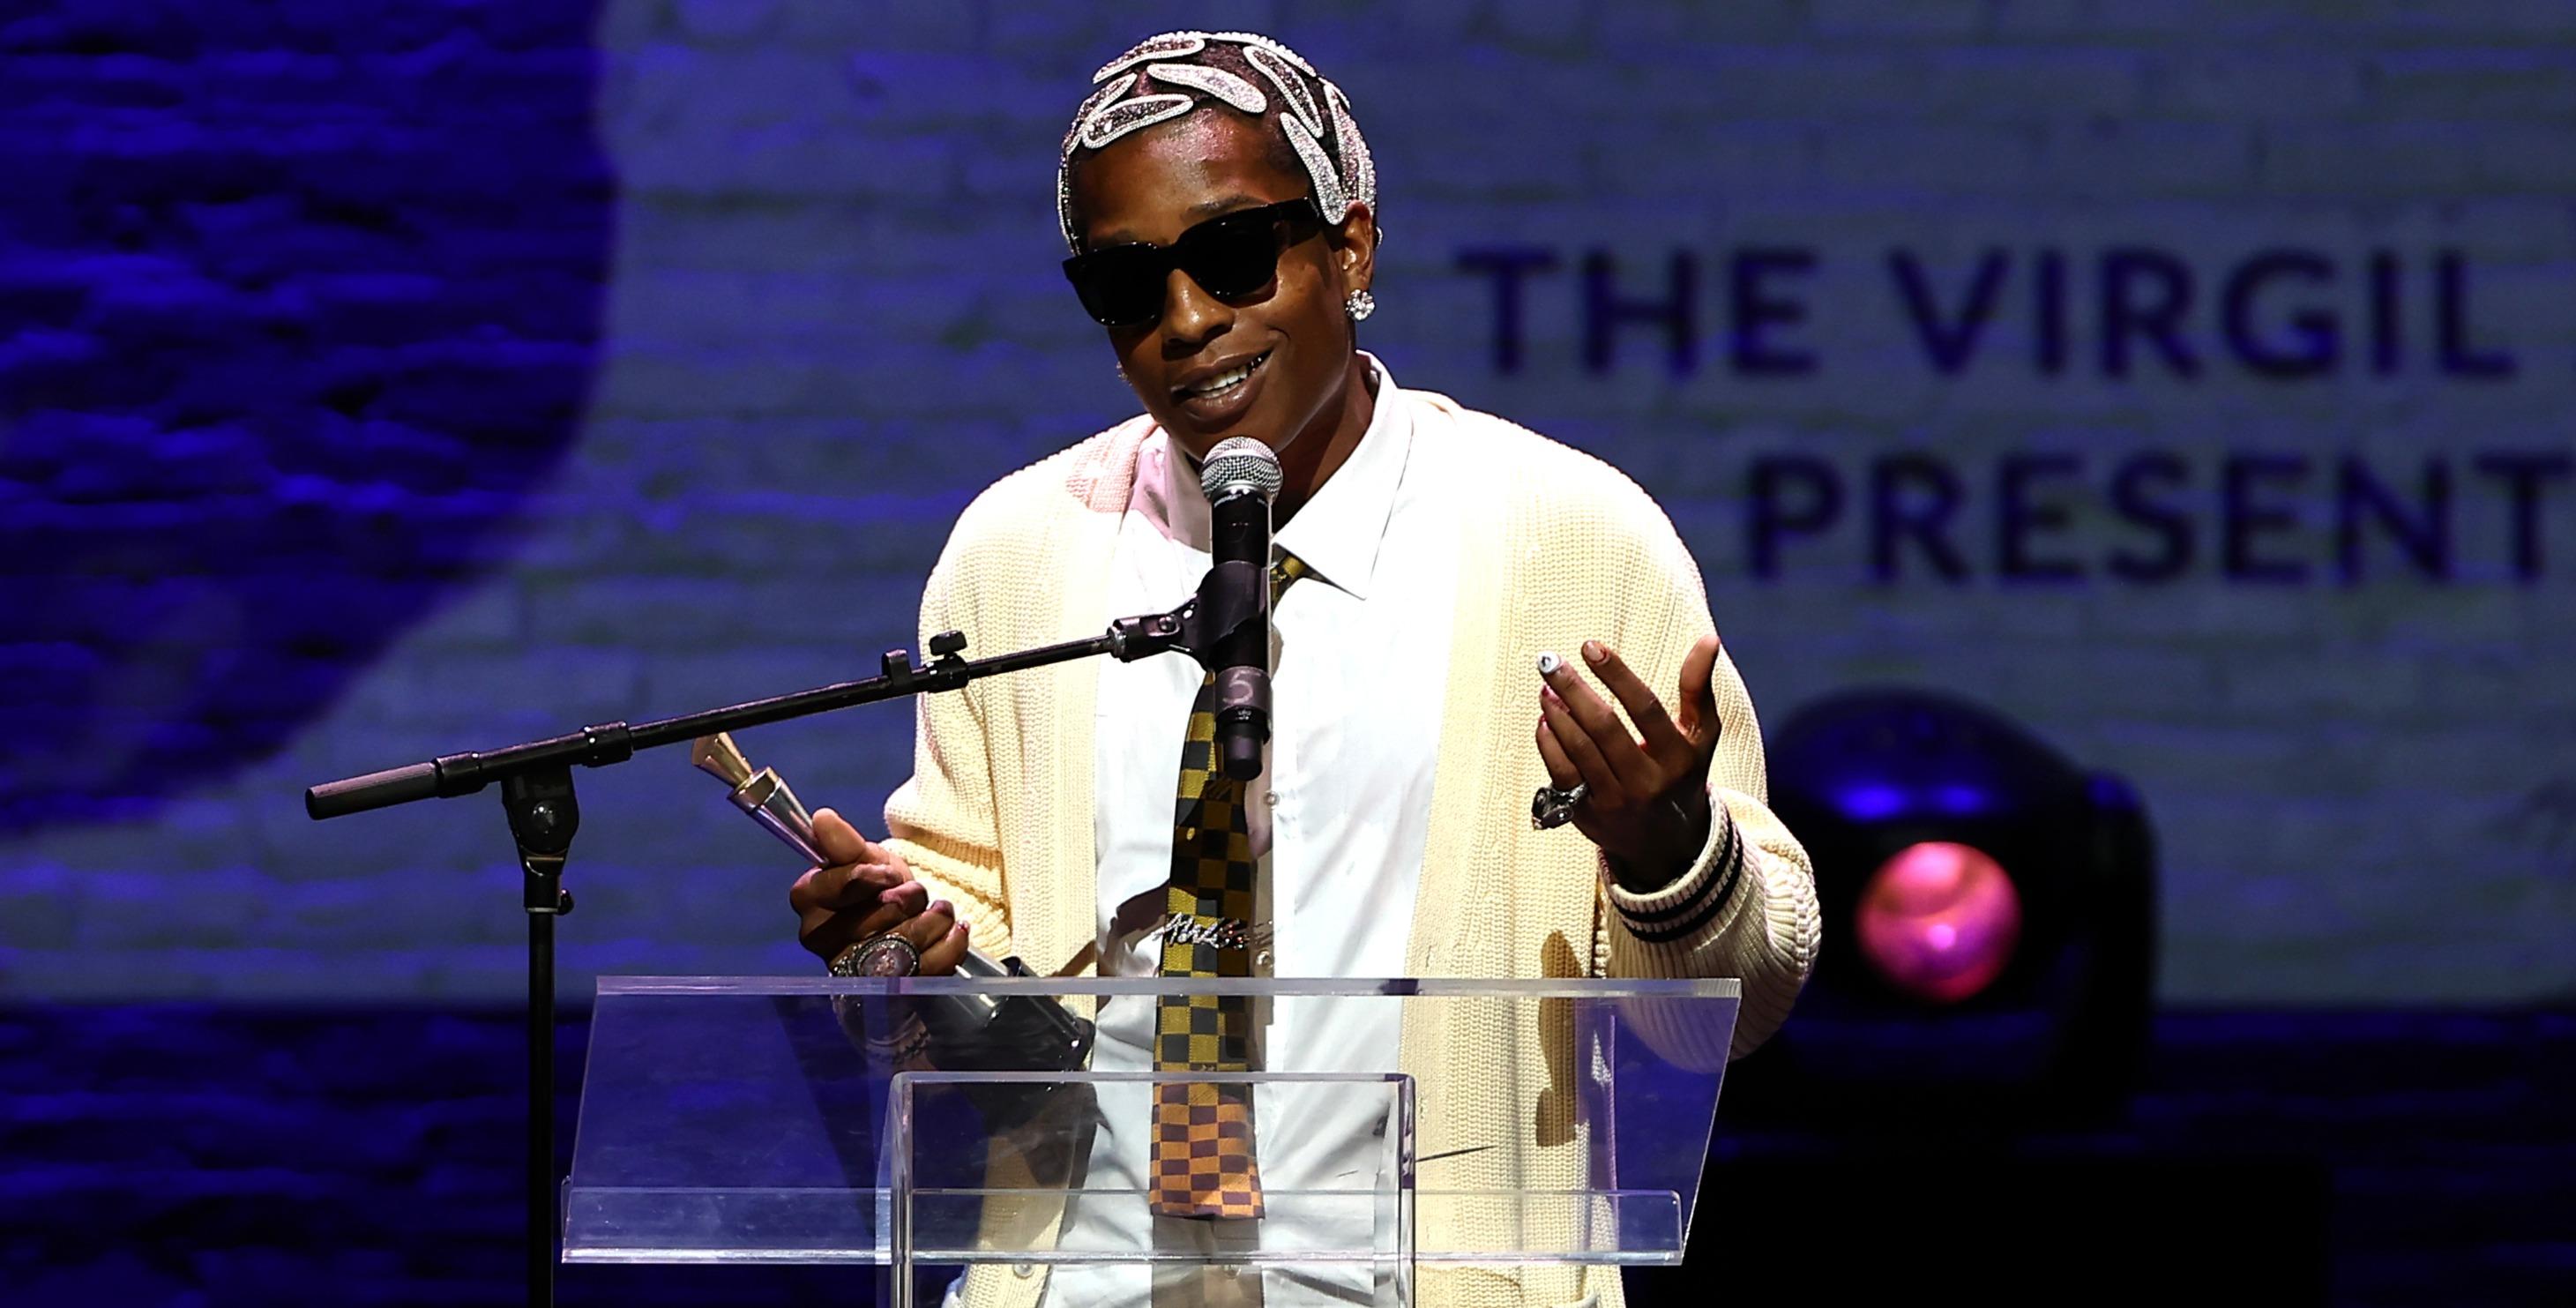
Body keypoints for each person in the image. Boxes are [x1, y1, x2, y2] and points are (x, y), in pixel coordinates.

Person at [787, 29, 1819, 1308]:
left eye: (1231, 255)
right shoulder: (1022, 554)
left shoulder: (1570, 538)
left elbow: (1739, 1004)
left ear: (1350, 248)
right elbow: (980, 991)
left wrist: (1670, 856)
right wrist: (904, 963)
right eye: (1124, 284)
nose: (1184, 320)